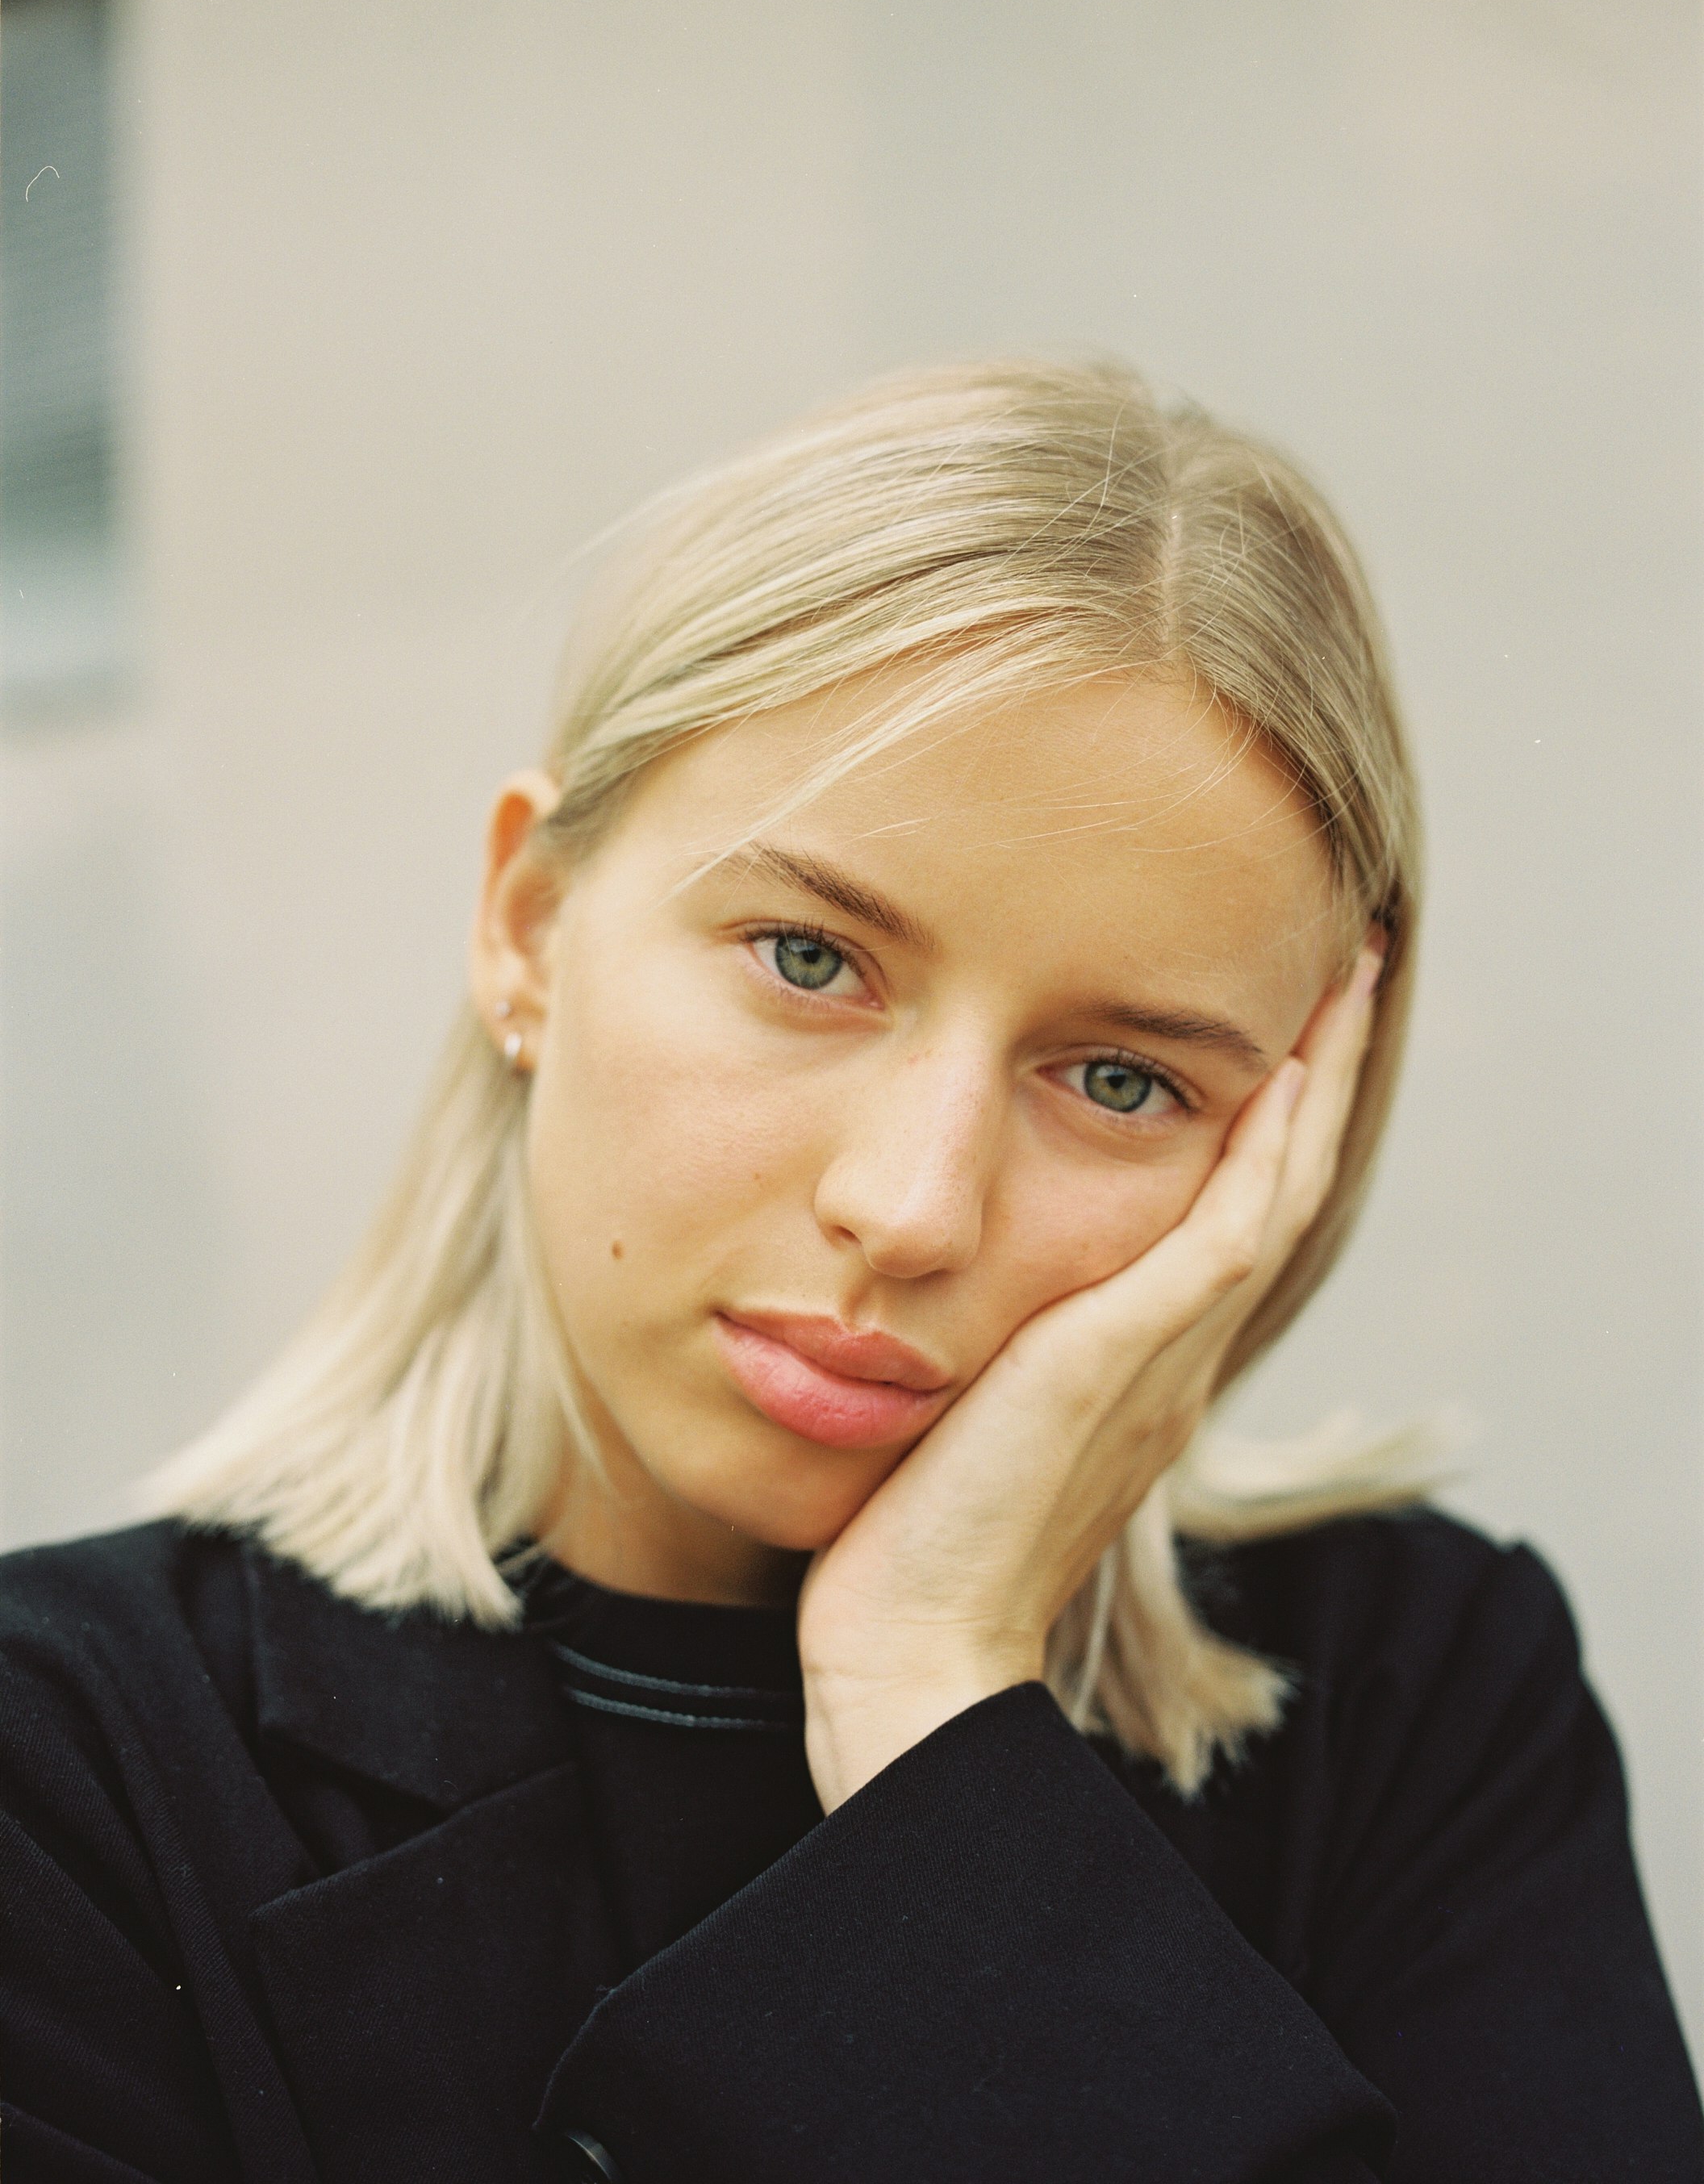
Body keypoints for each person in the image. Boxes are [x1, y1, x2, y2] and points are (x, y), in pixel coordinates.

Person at [0, 360, 1697, 2184]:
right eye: (810, 960)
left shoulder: (1416, 1698)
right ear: (528, 928)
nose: (911, 1207)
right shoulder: (68, 1771)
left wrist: (933, 1704)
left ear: (1280, 1141)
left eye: (1122, 1079)